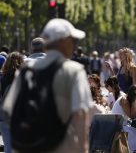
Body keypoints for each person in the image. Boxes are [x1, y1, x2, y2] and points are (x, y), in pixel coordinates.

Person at [3, 18, 92, 152]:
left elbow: (9, 111)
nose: (75, 44)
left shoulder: (25, 70)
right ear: (63, 41)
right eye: (73, 40)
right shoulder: (73, 71)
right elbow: (80, 115)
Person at [111, 85, 136, 151]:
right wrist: (135, 101)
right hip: (118, 128)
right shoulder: (124, 100)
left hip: (123, 126)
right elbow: (133, 116)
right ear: (134, 95)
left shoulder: (129, 100)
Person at [0, 52, 24, 153]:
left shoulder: (1, 78)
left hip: (3, 116)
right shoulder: (25, 77)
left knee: (8, 148)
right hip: (21, 117)